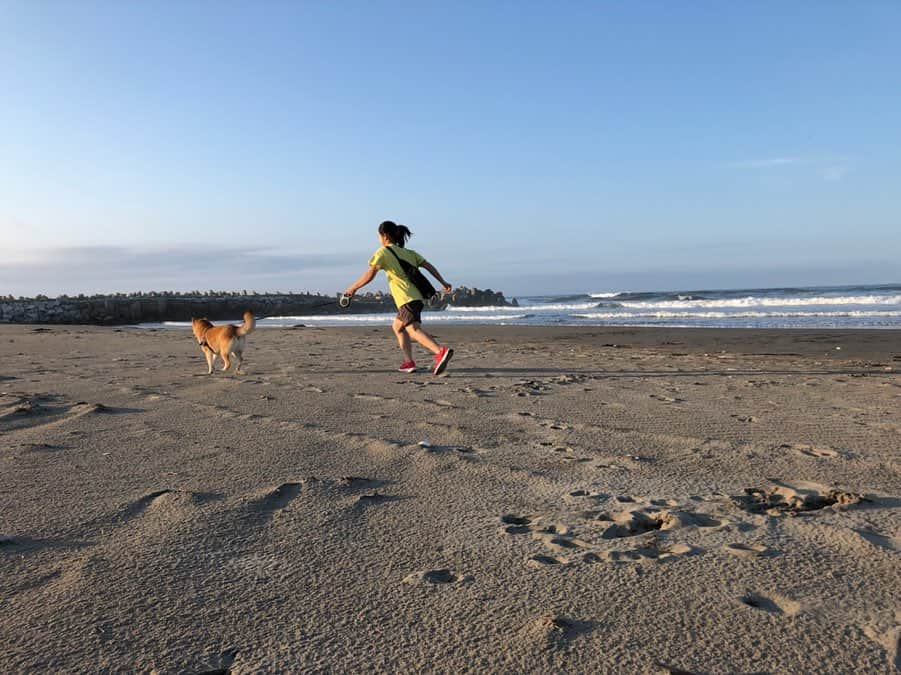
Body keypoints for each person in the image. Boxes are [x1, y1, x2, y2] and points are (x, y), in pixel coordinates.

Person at [344, 220, 454, 375]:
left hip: (407, 298)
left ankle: (440, 352)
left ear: (384, 236)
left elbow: (370, 275)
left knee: (413, 329)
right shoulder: (409, 253)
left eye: (378, 236)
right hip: (417, 297)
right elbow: (429, 266)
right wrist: (442, 282)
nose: (378, 239)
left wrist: (352, 288)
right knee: (397, 326)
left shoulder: (382, 252)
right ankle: (408, 362)